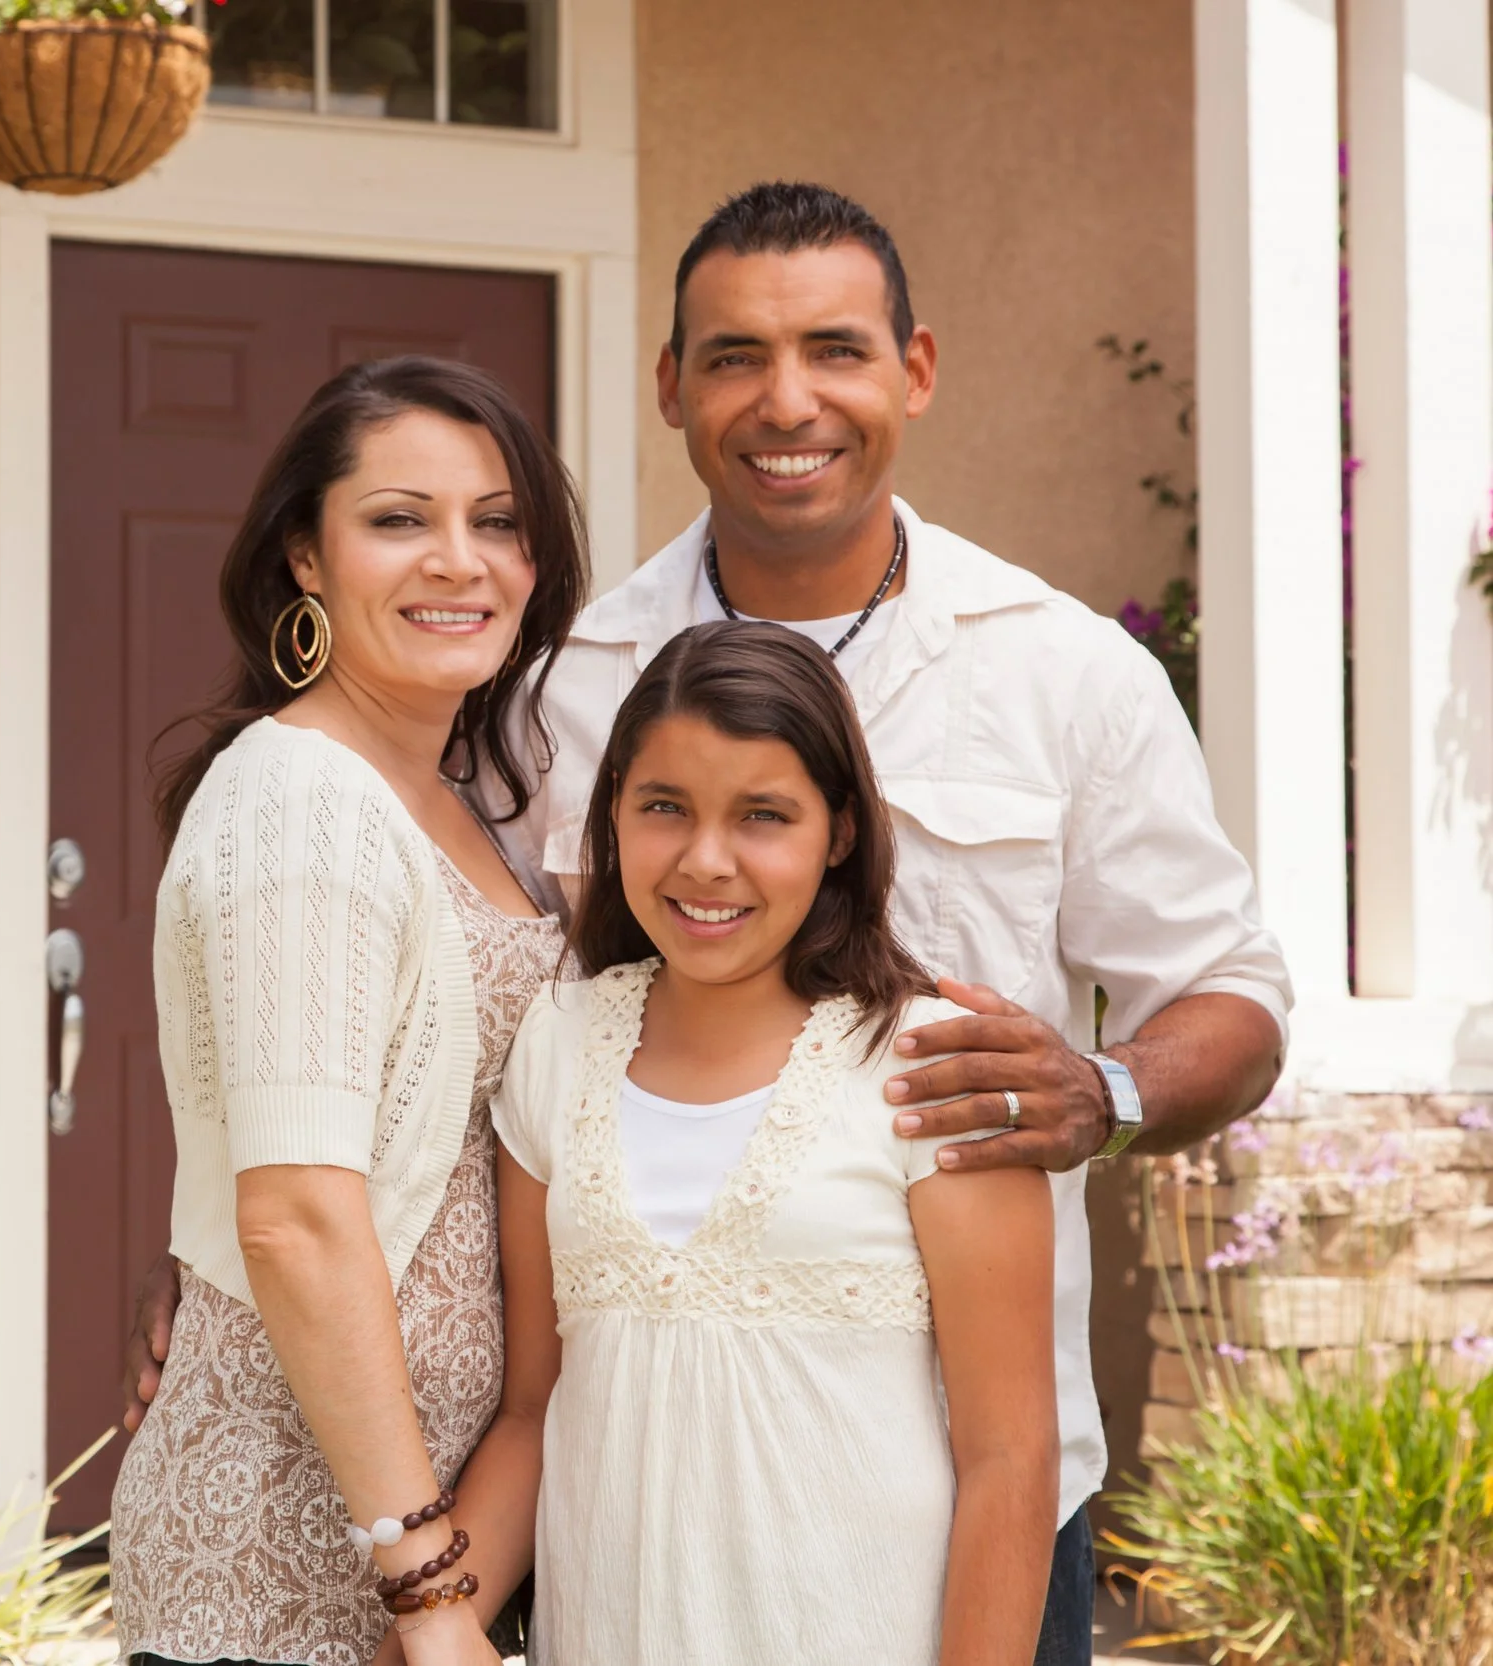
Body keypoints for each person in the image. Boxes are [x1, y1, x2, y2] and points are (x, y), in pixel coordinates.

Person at [125, 183, 1293, 1666]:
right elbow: (414, 1018)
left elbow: (1235, 995)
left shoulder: (1066, 673)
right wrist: (240, 1235)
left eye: (835, 349)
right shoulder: (552, 682)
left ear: (914, 370)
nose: (786, 398)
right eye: (734, 355)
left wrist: (1108, 1089)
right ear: (672, 387)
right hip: (608, 1509)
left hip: (979, 1493)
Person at [107, 354, 588, 1666]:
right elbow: (299, 1215)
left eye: (497, 521)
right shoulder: (302, 798)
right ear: (304, 560)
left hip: (428, 1546)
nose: (459, 559)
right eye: (398, 519)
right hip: (284, 1563)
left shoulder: (462, 806)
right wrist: (430, 1594)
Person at [469, 620, 1058, 1662]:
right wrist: (429, 1617)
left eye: (762, 816)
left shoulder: (932, 1067)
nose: (706, 861)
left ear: (838, 831)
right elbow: (529, 1411)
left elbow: (1009, 1462)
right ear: (611, 815)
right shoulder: (557, 1045)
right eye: (663, 807)